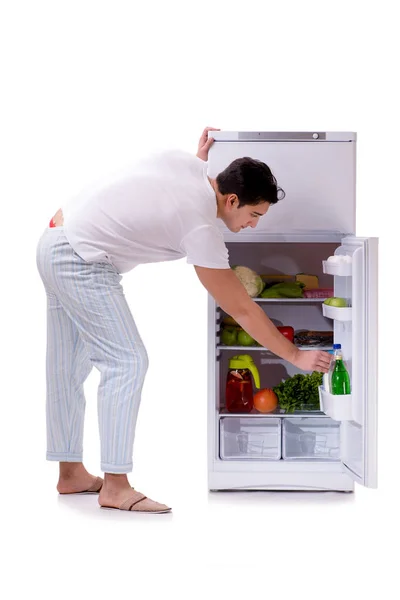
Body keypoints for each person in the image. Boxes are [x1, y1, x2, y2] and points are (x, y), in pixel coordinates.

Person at [36, 127, 331, 514]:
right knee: (127, 362)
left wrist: (201, 156)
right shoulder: (200, 226)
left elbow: (176, 179)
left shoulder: (189, 166)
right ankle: (115, 486)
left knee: (67, 368)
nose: (254, 225)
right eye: (254, 214)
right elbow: (242, 309)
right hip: (81, 260)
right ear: (230, 199)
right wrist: (295, 356)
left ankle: (70, 472)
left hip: (53, 239)